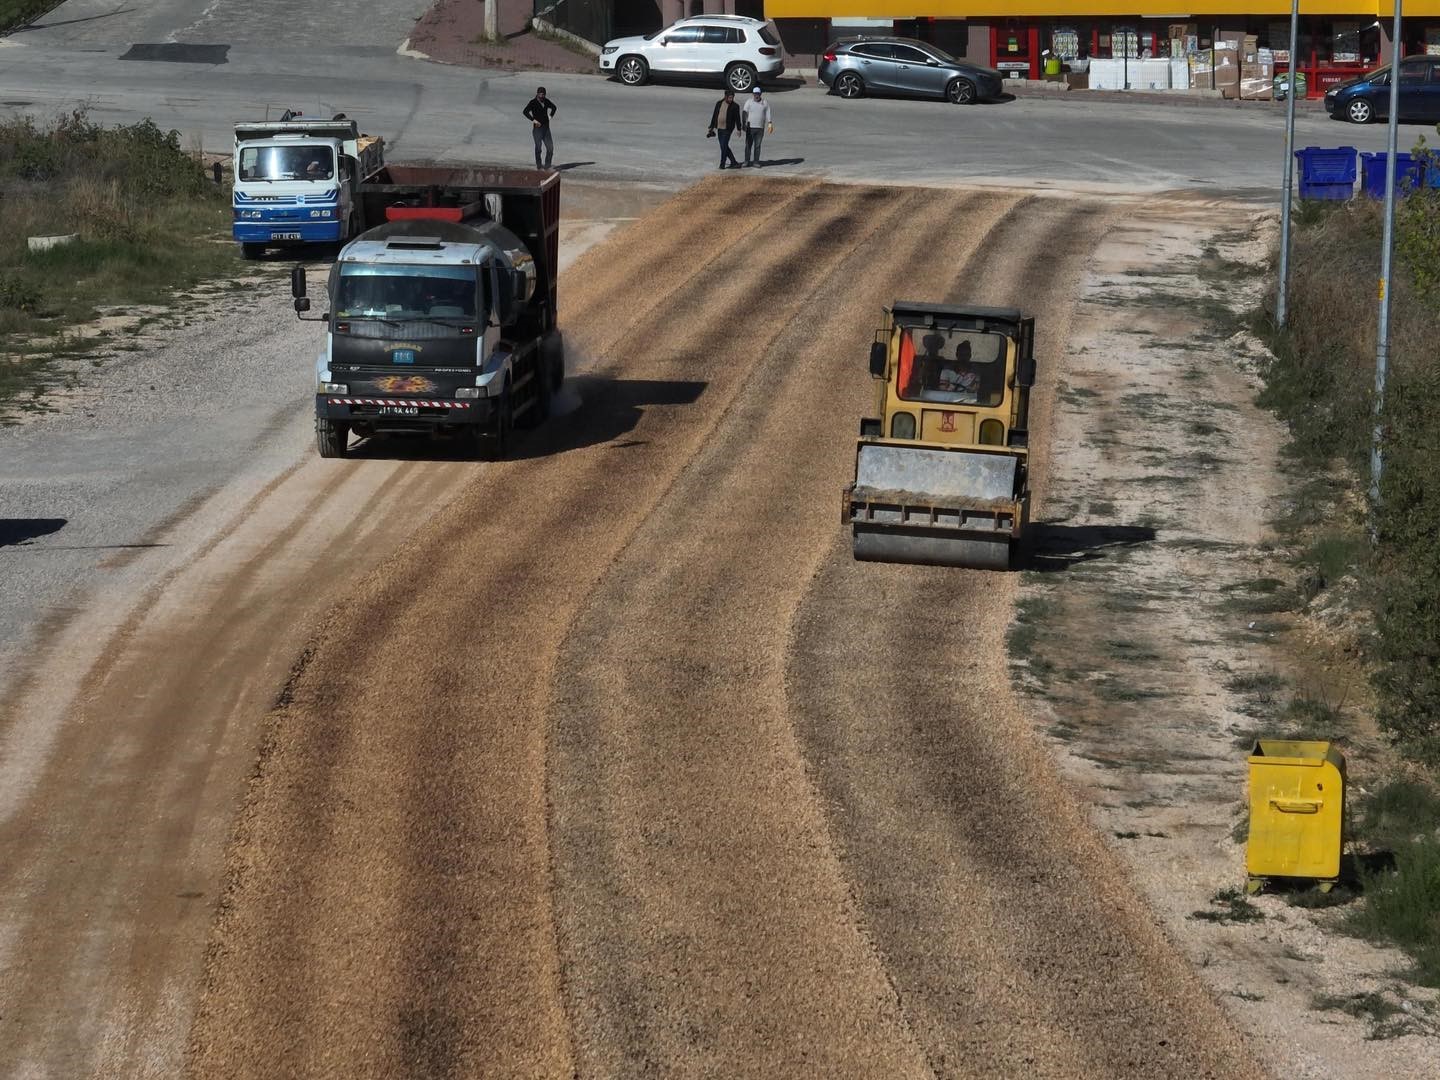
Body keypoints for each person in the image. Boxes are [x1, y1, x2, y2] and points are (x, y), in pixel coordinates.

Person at [522, 86, 557, 170]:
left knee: (550, 148)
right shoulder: (533, 102)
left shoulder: (546, 101)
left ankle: (547, 166)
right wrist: (533, 120)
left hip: (546, 129)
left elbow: (554, 108)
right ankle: (539, 165)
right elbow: (525, 111)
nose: (541, 96)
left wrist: (550, 116)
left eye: (543, 94)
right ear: (537, 94)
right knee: (538, 147)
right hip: (537, 129)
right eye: (540, 94)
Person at [708, 89, 741, 170]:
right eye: (729, 97)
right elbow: (715, 115)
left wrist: (739, 129)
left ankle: (722, 163)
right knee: (724, 146)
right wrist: (711, 126)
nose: (731, 99)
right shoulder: (719, 103)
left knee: (724, 146)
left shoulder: (735, 106)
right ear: (725, 97)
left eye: (732, 98)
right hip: (719, 128)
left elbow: (737, 119)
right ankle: (734, 162)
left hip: (728, 129)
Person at [740, 86, 772, 168]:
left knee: (757, 146)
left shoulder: (765, 103)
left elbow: (768, 112)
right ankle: (746, 161)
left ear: (760, 94)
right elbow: (744, 112)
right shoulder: (749, 102)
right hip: (750, 128)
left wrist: (770, 123)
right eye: (755, 94)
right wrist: (744, 123)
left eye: (758, 94)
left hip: (760, 128)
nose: (756, 95)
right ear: (753, 94)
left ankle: (756, 162)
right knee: (748, 145)